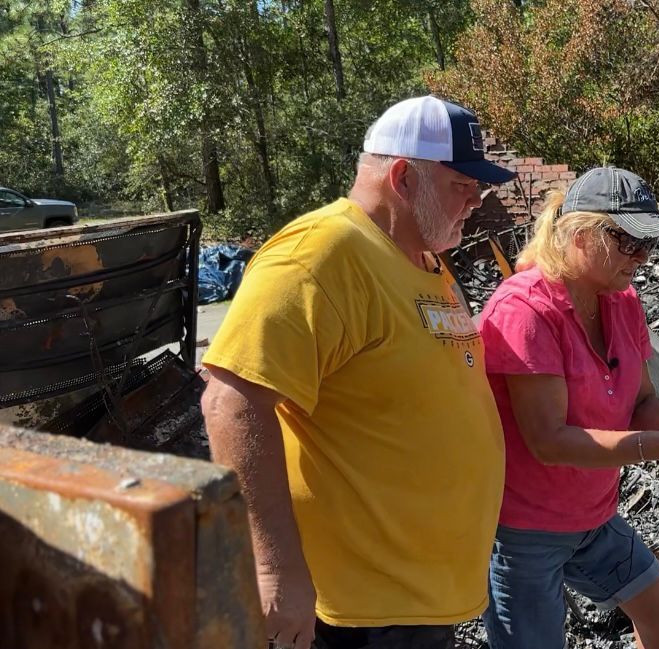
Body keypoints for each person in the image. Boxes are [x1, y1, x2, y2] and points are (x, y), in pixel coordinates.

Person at [200, 95, 516, 649]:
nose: (476, 203)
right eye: (462, 188)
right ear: (402, 177)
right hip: (355, 613)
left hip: (420, 597)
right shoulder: (320, 257)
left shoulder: (422, 257)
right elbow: (232, 401)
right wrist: (275, 570)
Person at [478, 166, 659, 649]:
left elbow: (642, 404)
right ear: (580, 236)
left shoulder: (621, 301)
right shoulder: (525, 311)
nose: (642, 256)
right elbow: (549, 441)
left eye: (649, 244)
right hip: (525, 527)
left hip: (592, 515)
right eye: (628, 242)